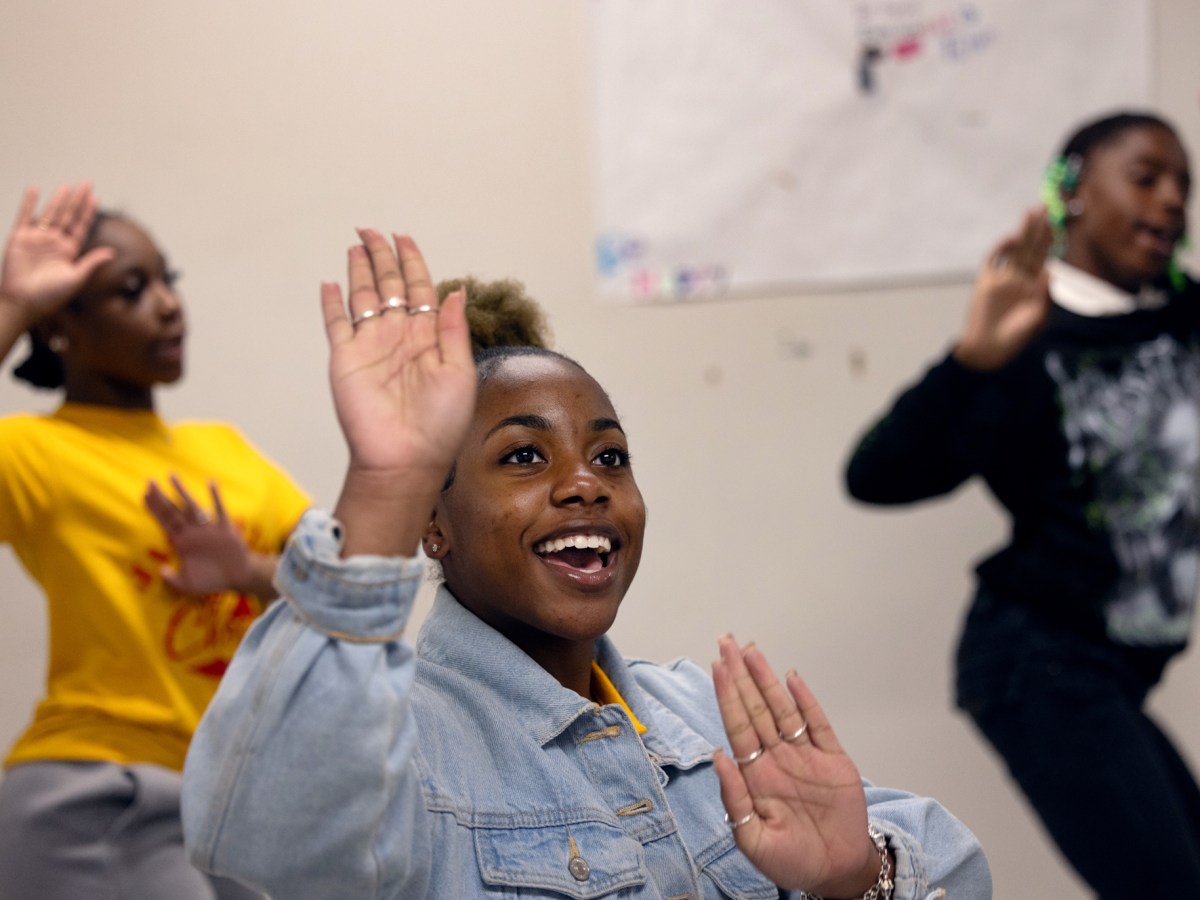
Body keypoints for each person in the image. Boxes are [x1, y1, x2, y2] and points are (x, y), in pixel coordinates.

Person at [182, 227, 991, 899]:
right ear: (434, 522)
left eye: (610, 457)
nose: (584, 485)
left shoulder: (708, 722)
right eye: (526, 456)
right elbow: (267, 836)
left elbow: (956, 864)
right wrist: (384, 486)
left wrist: (860, 878)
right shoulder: (405, 744)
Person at [843, 110, 1200, 894]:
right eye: (1147, 178)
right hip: (1038, 666)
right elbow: (877, 475)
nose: (1174, 199)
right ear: (1068, 192)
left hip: (1118, 672)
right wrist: (972, 361)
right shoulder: (1026, 337)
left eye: (1185, 186)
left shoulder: (1181, 320)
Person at [0, 183, 311, 899]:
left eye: (168, 279)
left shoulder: (225, 451)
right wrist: (14, 306)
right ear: (61, 331)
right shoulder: (37, 452)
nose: (168, 304)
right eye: (130, 290)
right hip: (100, 793)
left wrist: (252, 569)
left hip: (230, 802)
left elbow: (357, 584)